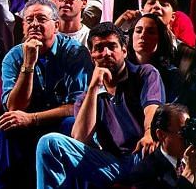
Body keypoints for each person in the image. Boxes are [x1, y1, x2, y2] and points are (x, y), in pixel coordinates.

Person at [35, 22, 165, 188]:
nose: (106, 53)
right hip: (111, 162)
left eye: (112, 46)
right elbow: (80, 139)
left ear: (124, 50)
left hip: (143, 155)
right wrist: (93, 88)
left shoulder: (144, 73)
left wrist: (148, 133)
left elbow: (152, 109)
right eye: (99, 48)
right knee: (49, 142)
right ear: (91, 55)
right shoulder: (87, 96)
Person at [0, 0, 92, 189]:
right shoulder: (13, 57)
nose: (34, 25)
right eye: (29, 20)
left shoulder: (75, 53)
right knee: (7, 125)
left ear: (56, 25)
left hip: (58, 121)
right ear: (22, 26)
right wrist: (28, 65)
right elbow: (14, 106)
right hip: (26, 122)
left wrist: (33, 118)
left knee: (71, 124)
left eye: (41, 19)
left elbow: (76, 107)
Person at [124, 103, 196, 188]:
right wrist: (189, 171)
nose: (188, 139)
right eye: (182, 133)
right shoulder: (143, 173)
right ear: (161, 135)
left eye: (190, 131)